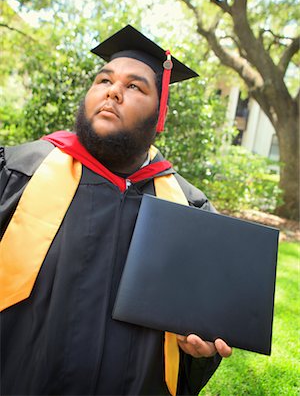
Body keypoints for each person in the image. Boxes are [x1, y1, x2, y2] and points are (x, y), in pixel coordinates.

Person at [0, 24, 232, 396]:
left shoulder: (191, 210)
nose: (113, 91)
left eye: (135, 86)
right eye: (103, 80)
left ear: (161, 114)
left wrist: (201, 351)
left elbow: (197, 340)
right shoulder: (19, 172)